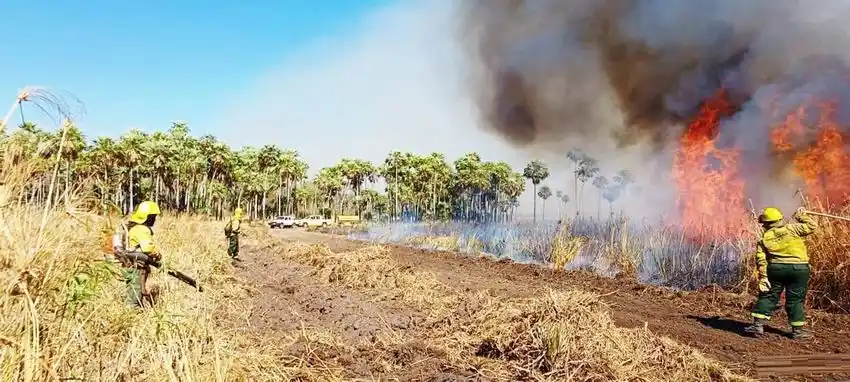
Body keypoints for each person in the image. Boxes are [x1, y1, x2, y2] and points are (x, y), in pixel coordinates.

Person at [745, 206, 817, 339]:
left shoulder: (764, 238)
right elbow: (812, 226)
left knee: (769, 296)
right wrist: (801, 216)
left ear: (765, 223)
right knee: (796, 300)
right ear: (780, 219)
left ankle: (757, 326)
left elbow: (761, 260)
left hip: (776, 269)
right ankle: (797, 332)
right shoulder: (792, 229)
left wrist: (763, 277)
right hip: (799, 269)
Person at [123, 201, 162, 307]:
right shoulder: (142, 229)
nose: (154, 219)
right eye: (153, 217)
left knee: (137, 290)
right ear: (147, 217)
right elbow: (147, 248)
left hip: (132, 265)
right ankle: (131, 313)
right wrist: (157, 255)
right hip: (136, 266)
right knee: (134, 297)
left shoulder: (134, 227)